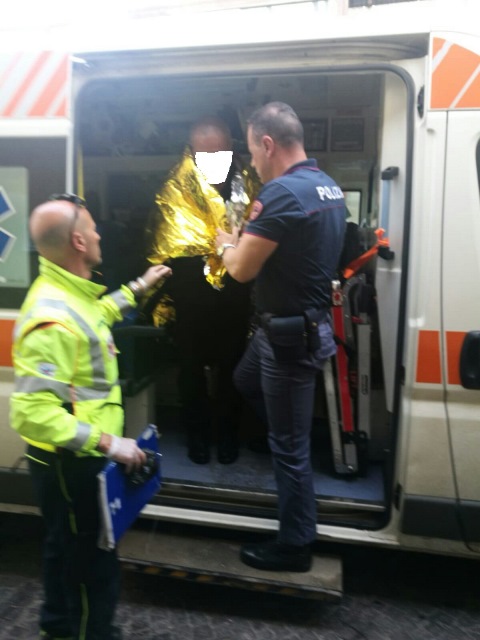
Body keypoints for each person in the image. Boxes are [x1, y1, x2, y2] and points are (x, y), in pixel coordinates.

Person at [9, 194, 171, 640]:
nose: (101, 234)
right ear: (79, 242)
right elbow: (31, 413)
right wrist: (109, 444)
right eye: (94, 228)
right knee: (90, 563)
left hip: (77, 458)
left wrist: (138, 288)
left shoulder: (69, 294)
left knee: (66, 550)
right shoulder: (51, 319)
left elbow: (95, 314)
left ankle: (59, 628)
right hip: (70, 463)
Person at [215, 102, 346, 572]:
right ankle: (285, 424)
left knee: (288, 448)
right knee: (244, 380)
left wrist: (227, 244)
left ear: (268, 144)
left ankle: (295, 546)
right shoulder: (327, 186)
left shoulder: (282, 193)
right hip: (299, 329)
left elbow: (240, 271)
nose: (251, 163)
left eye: (252, 152)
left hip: (289, 338)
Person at [147, 117, 258, 465]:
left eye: (219, 153)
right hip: (190, 295)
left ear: (231, 149)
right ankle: (197, 437)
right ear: (192, 152)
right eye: (204, 154)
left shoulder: (248, 183)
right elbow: (166, 241)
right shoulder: (175, 187)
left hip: (235, 294)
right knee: (191, 371)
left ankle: (227, 437)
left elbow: (259, 236)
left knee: (232, 370)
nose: (213, 160)